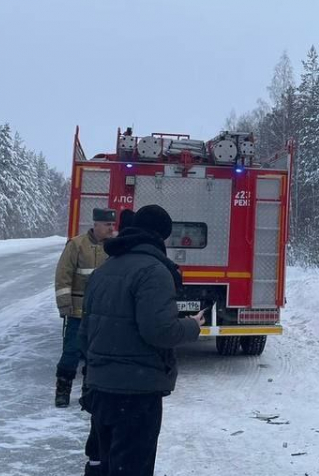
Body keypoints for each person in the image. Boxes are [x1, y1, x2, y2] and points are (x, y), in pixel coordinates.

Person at [78, 204, 203, 476]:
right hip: (136, 394)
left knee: (104, 464)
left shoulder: (104, 270)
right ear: (161, 236)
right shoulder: (154, 271)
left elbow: (84, 332)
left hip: (101, 390)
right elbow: (159, 331)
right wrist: (192, 326)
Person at [54, 208, 117, 408]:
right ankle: (62, 391)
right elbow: (63, 275)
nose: (111, 228)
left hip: (103, 313)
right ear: (96, 224)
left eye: (112, 225)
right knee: (71, 353)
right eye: (107, 225)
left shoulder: (115, 247)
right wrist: (65, 305)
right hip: (78, 313)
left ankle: (88, 394)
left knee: (95, 355)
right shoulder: (76, 245)